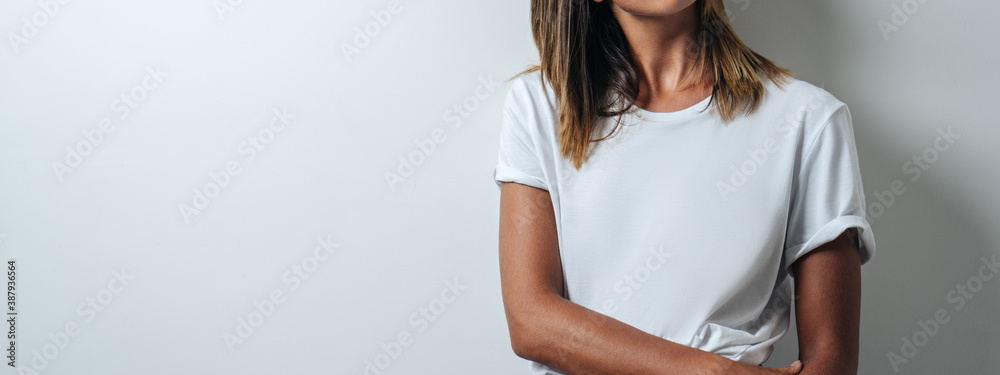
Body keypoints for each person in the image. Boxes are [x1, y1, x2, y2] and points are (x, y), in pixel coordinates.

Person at [492, 0, 876, 374]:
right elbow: (531, 323)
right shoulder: (541, 107)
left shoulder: (809, 120)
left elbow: (832, 358)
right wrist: (711, 371)